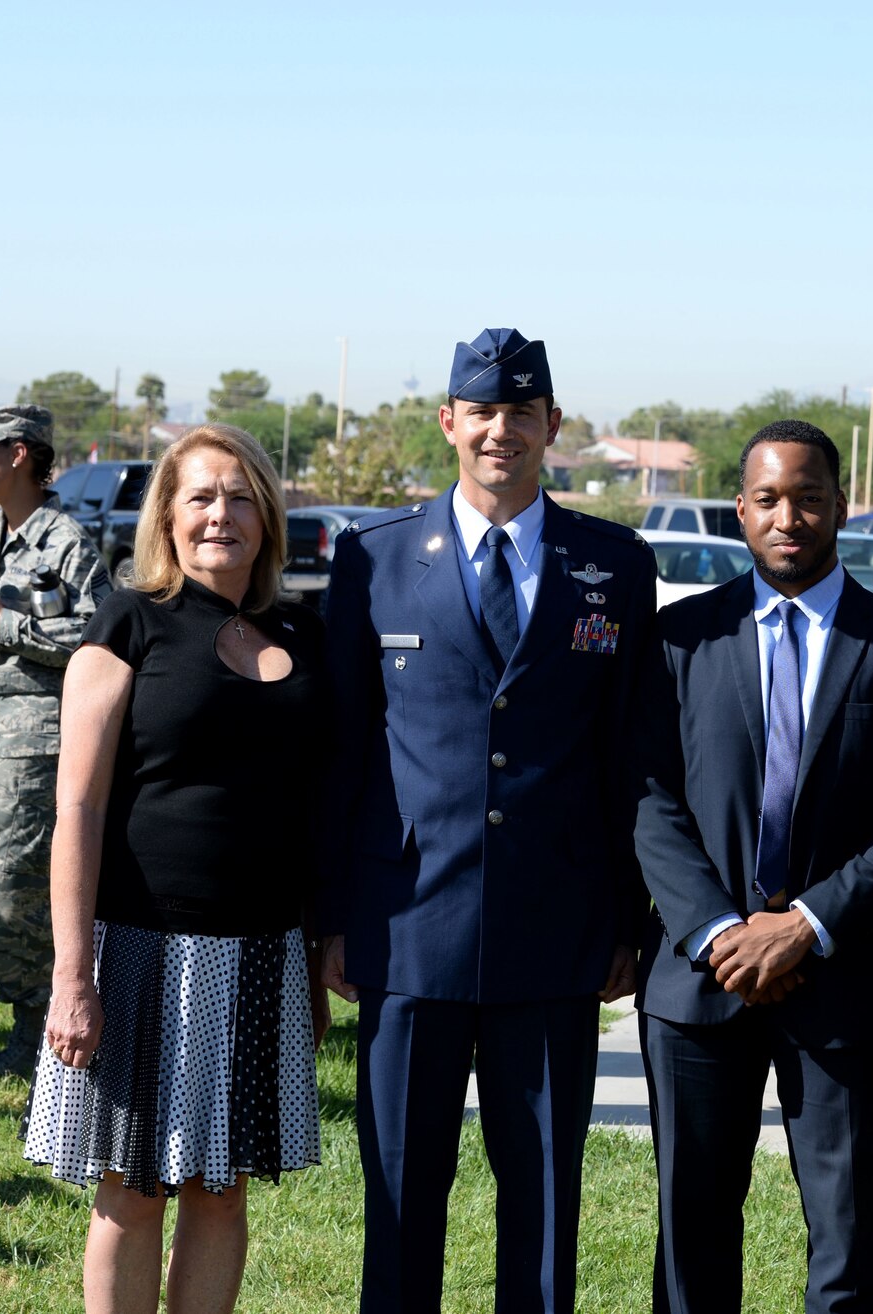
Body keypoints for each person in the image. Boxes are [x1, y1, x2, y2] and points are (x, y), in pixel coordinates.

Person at [317, 328, 656, 1314]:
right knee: (400, 1194)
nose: (499, 430)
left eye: (521, 412)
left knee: (546, 1203)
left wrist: (627, 923)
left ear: (551, 425)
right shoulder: (373, 563)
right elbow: (345, 753)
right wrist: (331, 917)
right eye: (482, 411)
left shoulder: (614, 565)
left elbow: (629, 757)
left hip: (556, 933)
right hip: (405, 923)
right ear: (448, 422)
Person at [637, 419, 873, 1313]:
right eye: (769, 499)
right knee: (691, 1233)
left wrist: (804, 924)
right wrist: (720, 931)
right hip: (700, 982)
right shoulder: (680, 639)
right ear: (740, 510)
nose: (789, 517)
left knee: (849, 1239)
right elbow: (649, 798)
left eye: (809, 497)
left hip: (836, 977)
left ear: (841, 507)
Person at [26, 423, 328, 1314]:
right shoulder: (129, 622)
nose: (220, 515)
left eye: (239, 496)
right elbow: (75, 808)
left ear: (267, 516)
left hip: (264, 952)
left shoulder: (303, 634)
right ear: (167, 514)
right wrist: (71, 975)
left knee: (221, 1186)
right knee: (131, 1185)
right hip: (140, 948)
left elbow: (310, 812)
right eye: (199, 496)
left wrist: (311, 959)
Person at [0, 404, 109, 1073]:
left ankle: (31, 1038)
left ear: (19, 454)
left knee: (12, 890)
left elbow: (99, 637)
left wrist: (7, 625)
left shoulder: (66, 541)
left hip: (30, 745)